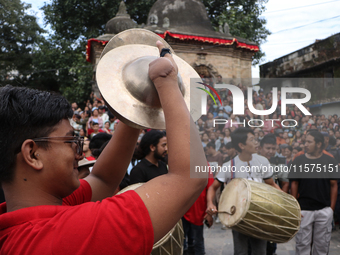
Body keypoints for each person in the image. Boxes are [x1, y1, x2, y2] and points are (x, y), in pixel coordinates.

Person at [0, 41, 208, 254]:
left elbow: (103, 179)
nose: (78, 152)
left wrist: (136, 102)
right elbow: (189, 177)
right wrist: (167, 80)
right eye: (71, 141)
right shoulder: (66, 235)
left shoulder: (23, 224)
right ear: (33, 154)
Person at [206, 127, 280, 255]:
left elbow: (272, 184)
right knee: (241, 252)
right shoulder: (229, 166)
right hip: (238, 216)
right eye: (252, 139)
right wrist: (210, 204)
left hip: (259, 214)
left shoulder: (262, 161)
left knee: (260, 252)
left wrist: (289, 203)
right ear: (242, 145)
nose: (256, 142)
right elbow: (213, 187)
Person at [289, 131, 338, 255]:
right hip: (304, 210)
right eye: (305, 141)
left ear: (319, 144)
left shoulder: (329, 161)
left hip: (324, 210)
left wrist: (331, 209)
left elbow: (334, 185)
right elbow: (294, 184)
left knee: (322, 246)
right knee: (302, 246)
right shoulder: (299, 160)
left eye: (309, 142)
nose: (305, 144)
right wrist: (295, 207)